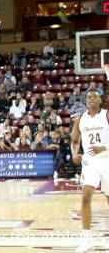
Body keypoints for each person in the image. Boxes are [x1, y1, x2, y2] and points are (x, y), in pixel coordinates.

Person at [72, 89, 109, 253]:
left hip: (107, 158)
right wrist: (74, 154)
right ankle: (87, 241)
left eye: (95, 96)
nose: (92, 99)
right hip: (90, 161)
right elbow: (74, 141)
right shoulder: (80, 119)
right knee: (86, 197)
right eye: (89, 97)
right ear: (85, 101)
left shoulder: (107, 115)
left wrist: (104, 147)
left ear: (101, 100)